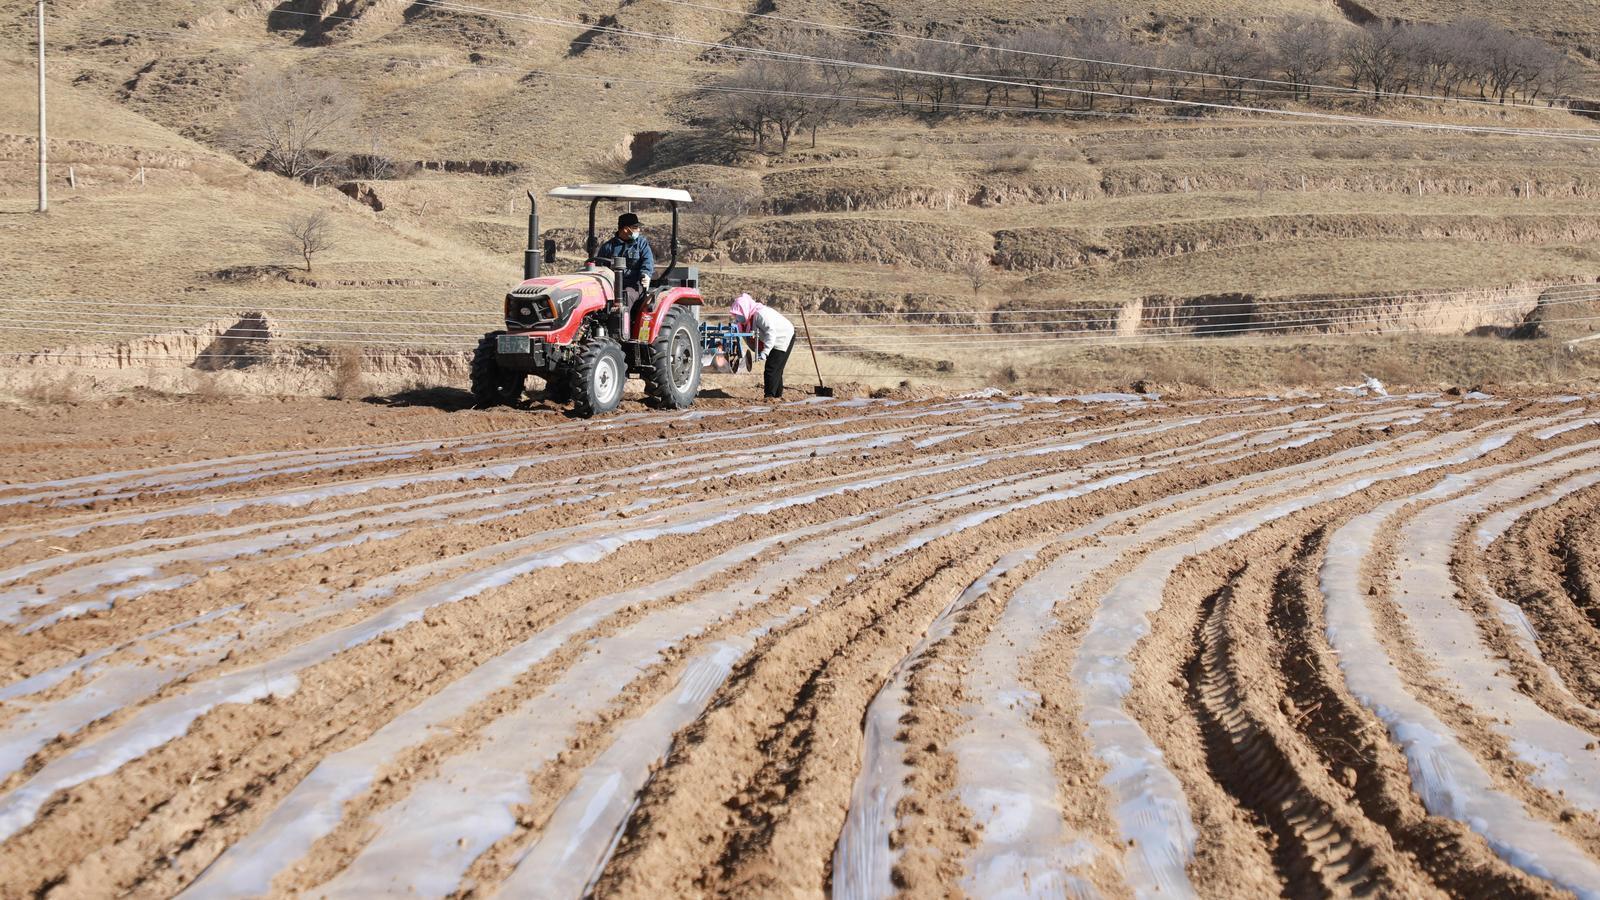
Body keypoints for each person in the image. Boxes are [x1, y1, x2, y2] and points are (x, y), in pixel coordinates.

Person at [730, 293, 796, 400]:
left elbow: (771, 332)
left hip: (783, 336)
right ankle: (777, 396)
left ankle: (769, 397)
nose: (738, 317)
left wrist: (765, 352)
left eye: (740, 314)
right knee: (776, 369)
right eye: (737, 314)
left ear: (745, 309)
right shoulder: (745, 322)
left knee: (771, 368)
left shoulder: (760, 314)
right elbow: (748, 338)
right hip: (772, 340)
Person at [595, 212, 655, 307]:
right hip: (613, 284)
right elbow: (599, 267)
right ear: (626, 229)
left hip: (634, 284)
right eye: (635, 227)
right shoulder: (608, 247)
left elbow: (648, 261)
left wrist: (646, 274)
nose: (639, 230)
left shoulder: (641, 244)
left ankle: (622, 316)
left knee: (625, 296)